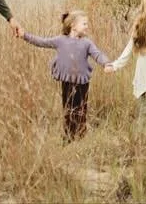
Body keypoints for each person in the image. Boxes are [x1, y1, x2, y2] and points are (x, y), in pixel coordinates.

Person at [22, 9, 114, 139]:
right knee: (68, 108)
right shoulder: (60, 40)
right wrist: (24, 35)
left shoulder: (87, 43)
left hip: (82, 83)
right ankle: (68, 136)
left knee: (81, 109)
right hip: (67, 82)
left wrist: (106, 63)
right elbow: (41, 42)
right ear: (73, 26)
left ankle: (80, 135)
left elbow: (97, 54)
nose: (87, 26)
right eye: (84, 24)